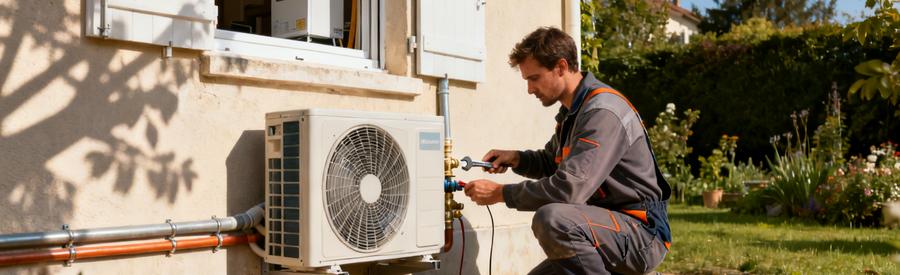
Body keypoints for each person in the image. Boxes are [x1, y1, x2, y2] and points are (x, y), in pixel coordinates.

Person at [462, 27, 671, 275]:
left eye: (534, 78)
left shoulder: (602, 113)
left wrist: (501, 193)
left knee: (552, 219)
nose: (529, 89)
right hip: (603, 227)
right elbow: (551, 162)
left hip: (641, 234)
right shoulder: (574, 113)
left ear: (561, 67)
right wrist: (516, 158)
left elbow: (568, 189)